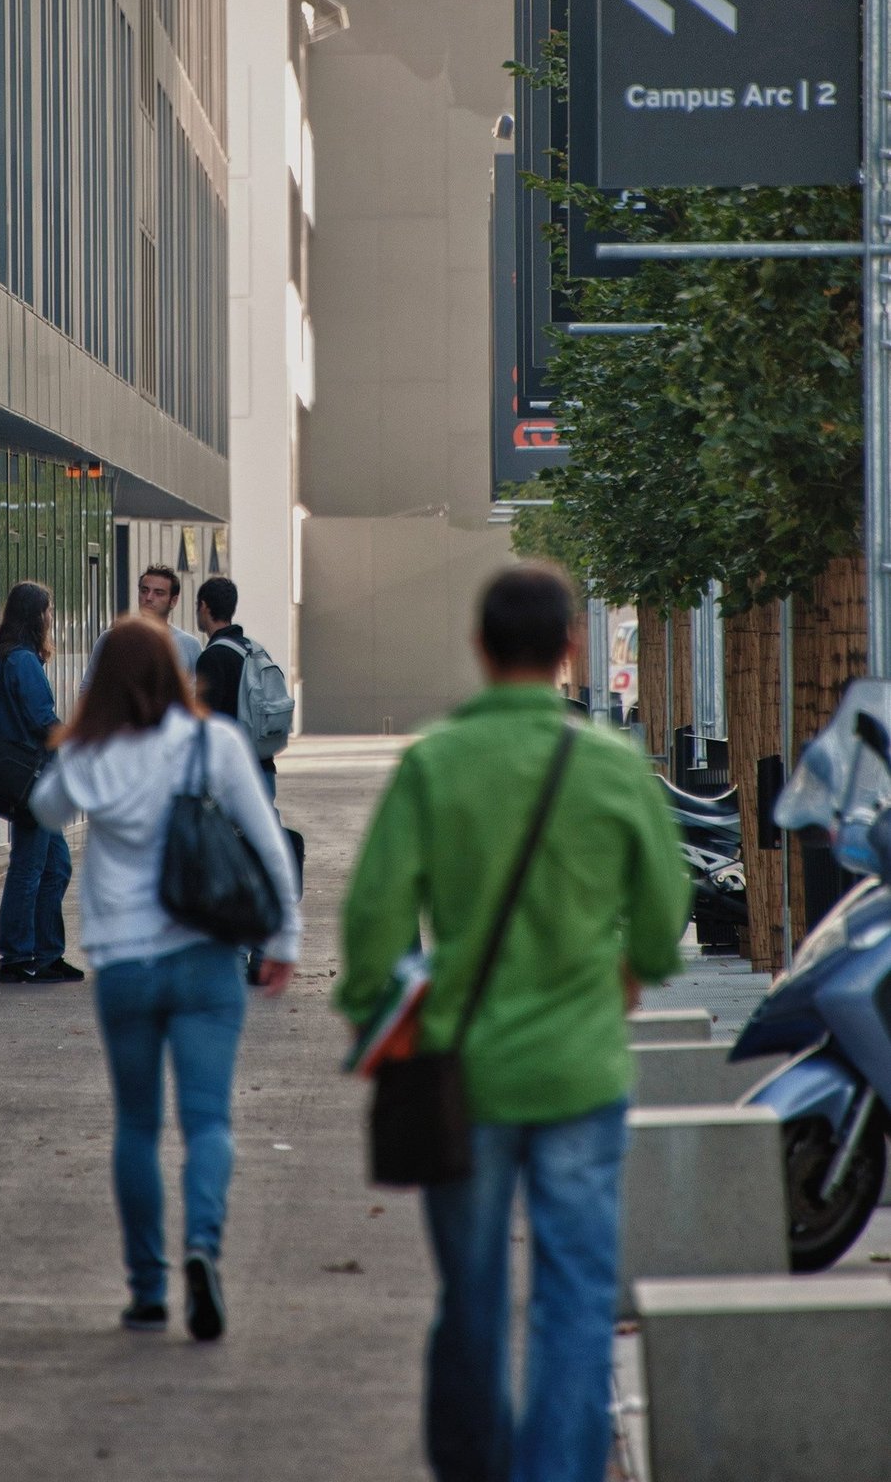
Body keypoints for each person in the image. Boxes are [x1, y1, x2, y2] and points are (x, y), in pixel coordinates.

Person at [336, 563, 688, 1482]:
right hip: (579, 1069)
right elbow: (662, 916)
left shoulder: (434, 762)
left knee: (473, 1294)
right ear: (571, 647)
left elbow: (372, 920)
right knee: (573, 1296)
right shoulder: (613, 767)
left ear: (480, 649)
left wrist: (378, 1018)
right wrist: (631, 970)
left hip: (463, 1073)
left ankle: (475, 1466)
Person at [30, 615, 302, 1341]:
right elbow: (267, 842)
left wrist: (81, 739)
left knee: (136, 1127)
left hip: (124, 964)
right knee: (208, 1119)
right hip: (205, 958)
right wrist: (284, 936)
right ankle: (202, 1248)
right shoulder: (209, 742)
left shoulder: (90, 752)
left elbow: (45, 808)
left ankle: (147, 1289)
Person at [0, 581, 82, 985]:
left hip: (25, 775)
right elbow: (43, 719)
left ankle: (46, 953)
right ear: (35, 616)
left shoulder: (6, 658)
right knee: (29, 868)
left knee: (55, 865)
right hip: (33, 778)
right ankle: (18, 956)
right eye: (48, 610)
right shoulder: (22, 661)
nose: (51, 618)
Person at [193, 576, 277, 799]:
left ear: (203, 606)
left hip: (233, 774)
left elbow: (205, 719)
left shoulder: (212, 657)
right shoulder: (255, 650)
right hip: (264, 766)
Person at [83, 565, 200, 687]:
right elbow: (88, 687)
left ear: (173, 601)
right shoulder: (111, 639)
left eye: (158, 593)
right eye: (144, 591)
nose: (148, 598)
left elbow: (197, 695)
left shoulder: (189, 645)